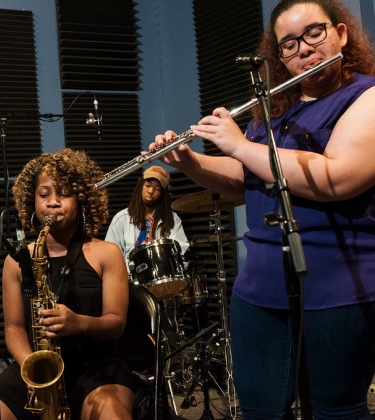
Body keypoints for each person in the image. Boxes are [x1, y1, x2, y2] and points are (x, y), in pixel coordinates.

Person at [151, 0, 375, 418]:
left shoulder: (366, 97)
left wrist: (239, 144)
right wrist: (190, 163)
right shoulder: (273, 111)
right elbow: (244, 176)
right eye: (288, 44)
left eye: (315, 33)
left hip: (338, 287)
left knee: (336, 411)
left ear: (341, 34)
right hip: (260, 288)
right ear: (278, 56)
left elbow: (337, 177)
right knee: (258, 410)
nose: (304, 49)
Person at [0, 148, 136, 420]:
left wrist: (78, 323)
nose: (53, 202)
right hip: (37, 366)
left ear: (82, 201)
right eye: (44, 194)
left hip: (98, 366)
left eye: (64, 194)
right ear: (31, 200)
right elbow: (13, 328)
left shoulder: (107, 253)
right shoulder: (17, 261)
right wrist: (32, 369)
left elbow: (116, 323)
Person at [105, 165, 189, 268]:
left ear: (163, 194)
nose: (151, 191)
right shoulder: (121, 219)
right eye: (148, 185)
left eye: (157, 188)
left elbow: (183, 253)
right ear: (140, 185)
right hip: (129, 281)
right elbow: (109, 256)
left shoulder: (172, 219)